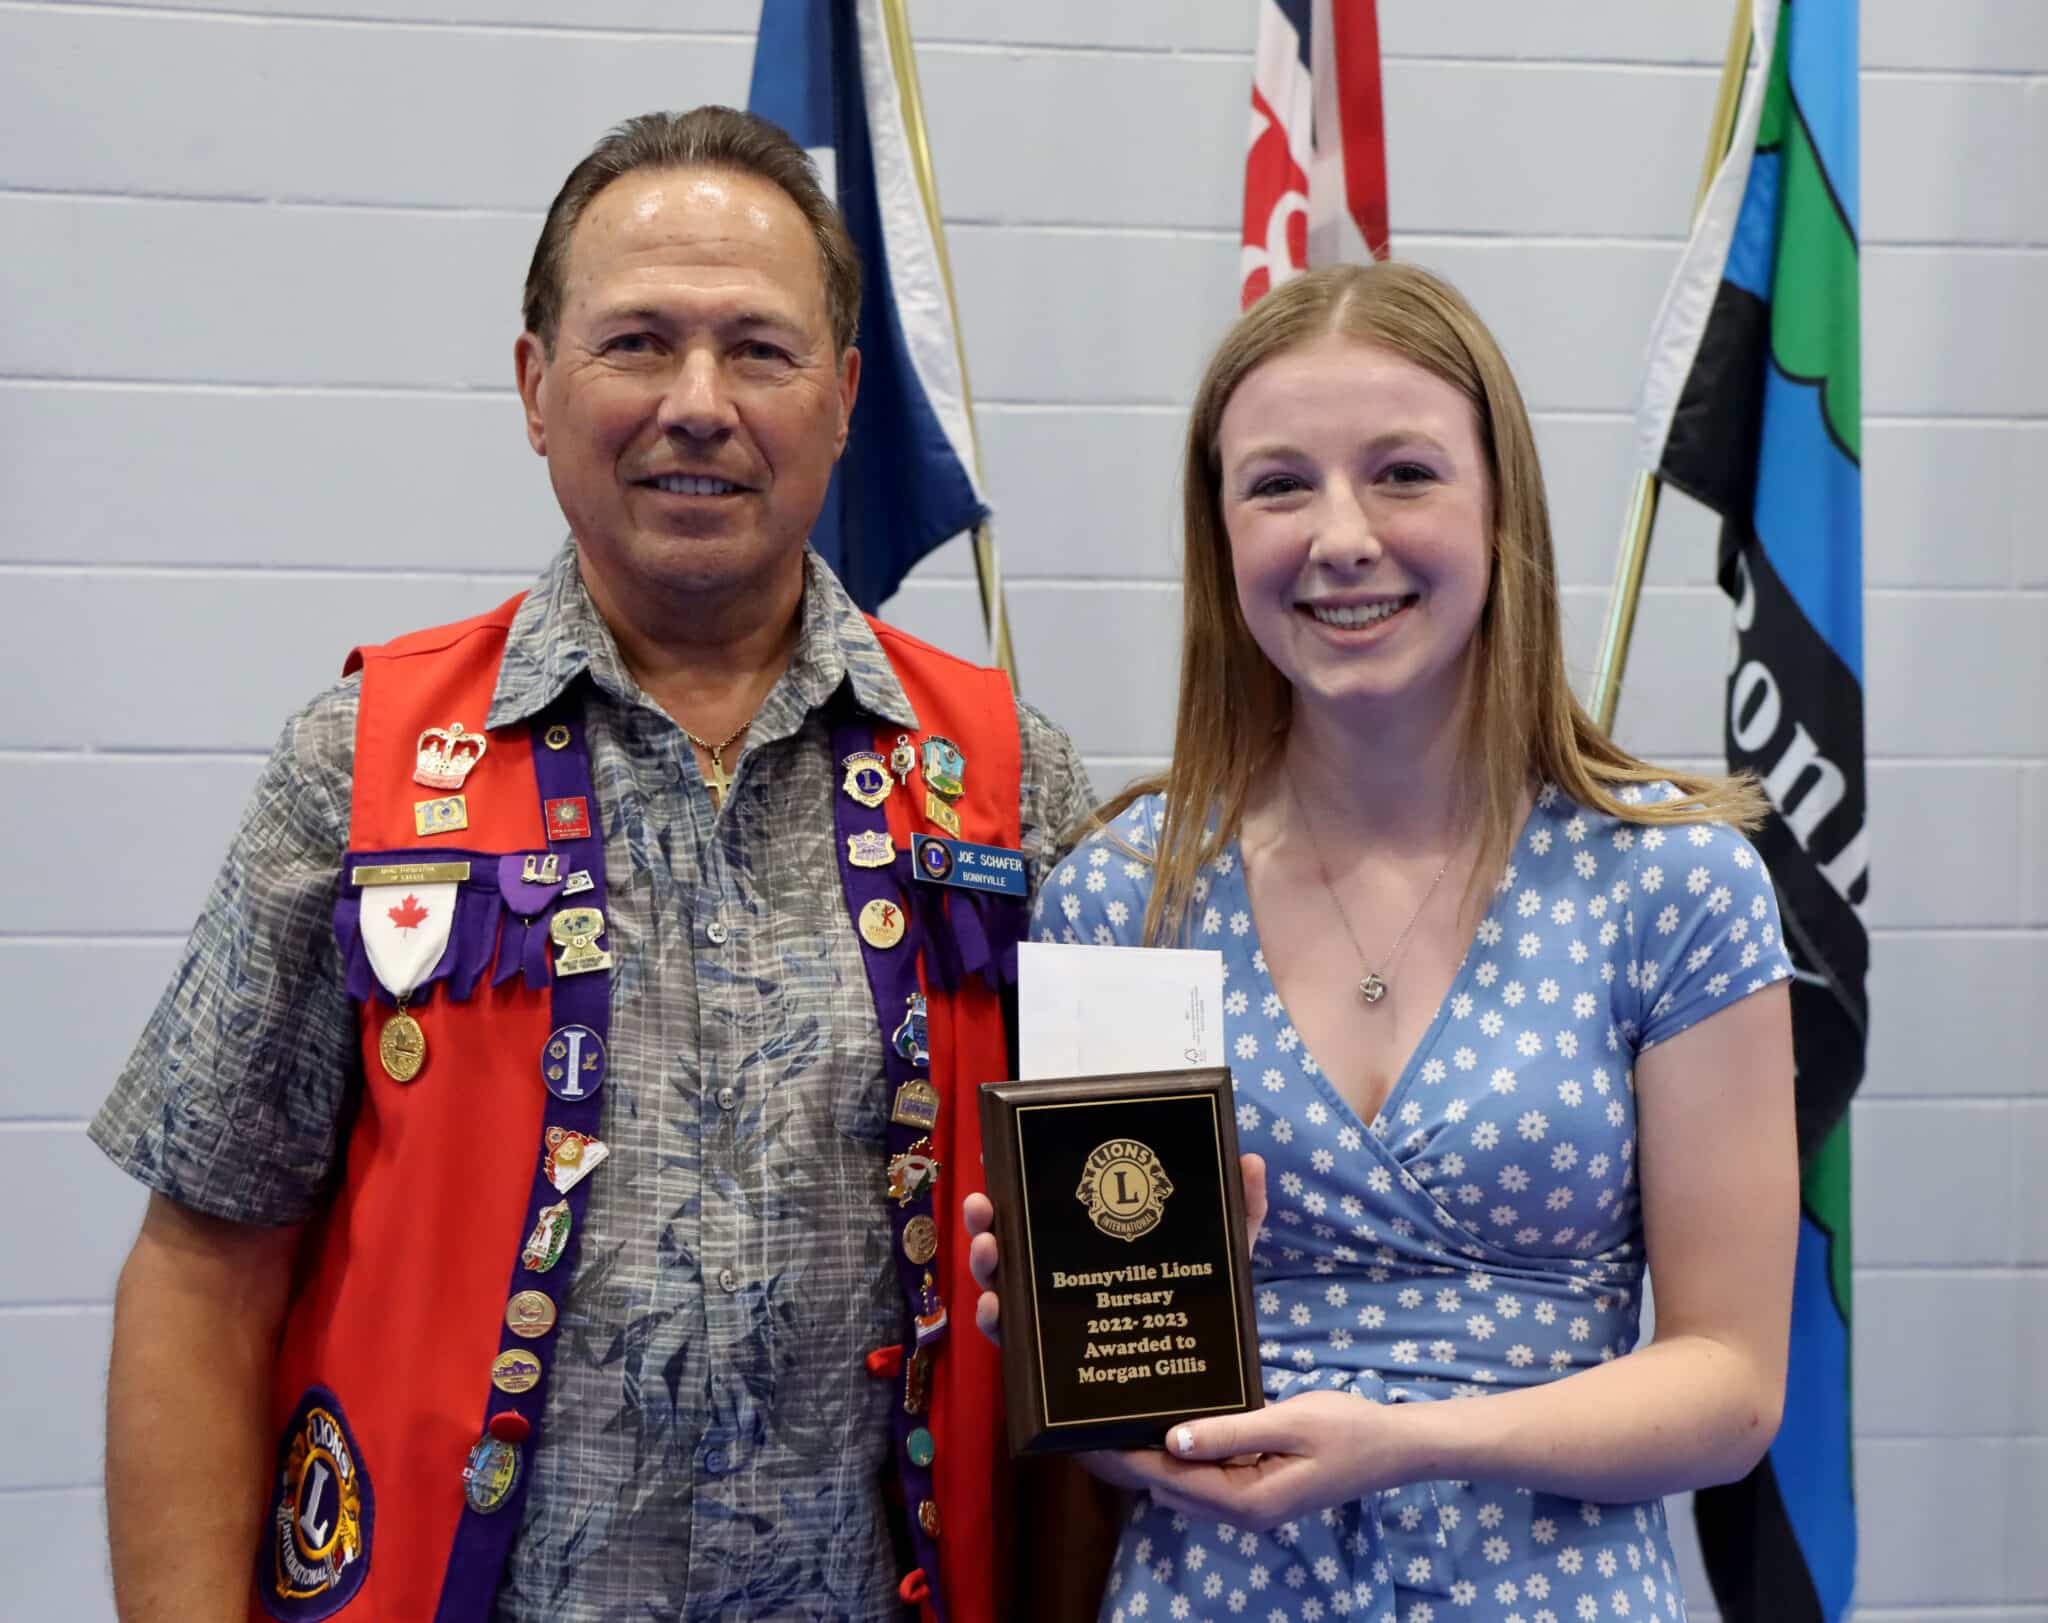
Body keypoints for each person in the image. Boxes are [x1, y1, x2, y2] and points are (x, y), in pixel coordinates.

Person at [91, 107, 1091, 1623]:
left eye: (758, 350)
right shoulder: (362, 764)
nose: (698, 404)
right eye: (637, 344)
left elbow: (1105, 1291)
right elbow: (201, 1262)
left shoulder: (1010, 784)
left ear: (842, 399)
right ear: (535, 388)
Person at [965, 262, 1797, 1622]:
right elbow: (1115, 1431)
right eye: (1279, 486)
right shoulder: (1126, 897)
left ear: (1501, 510)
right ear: (1221, 535)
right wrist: (1071, 1361)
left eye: (1403, 474)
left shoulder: (1672, 886)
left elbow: (1732, 1391)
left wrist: (1410, 1441)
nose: (1340, 536)